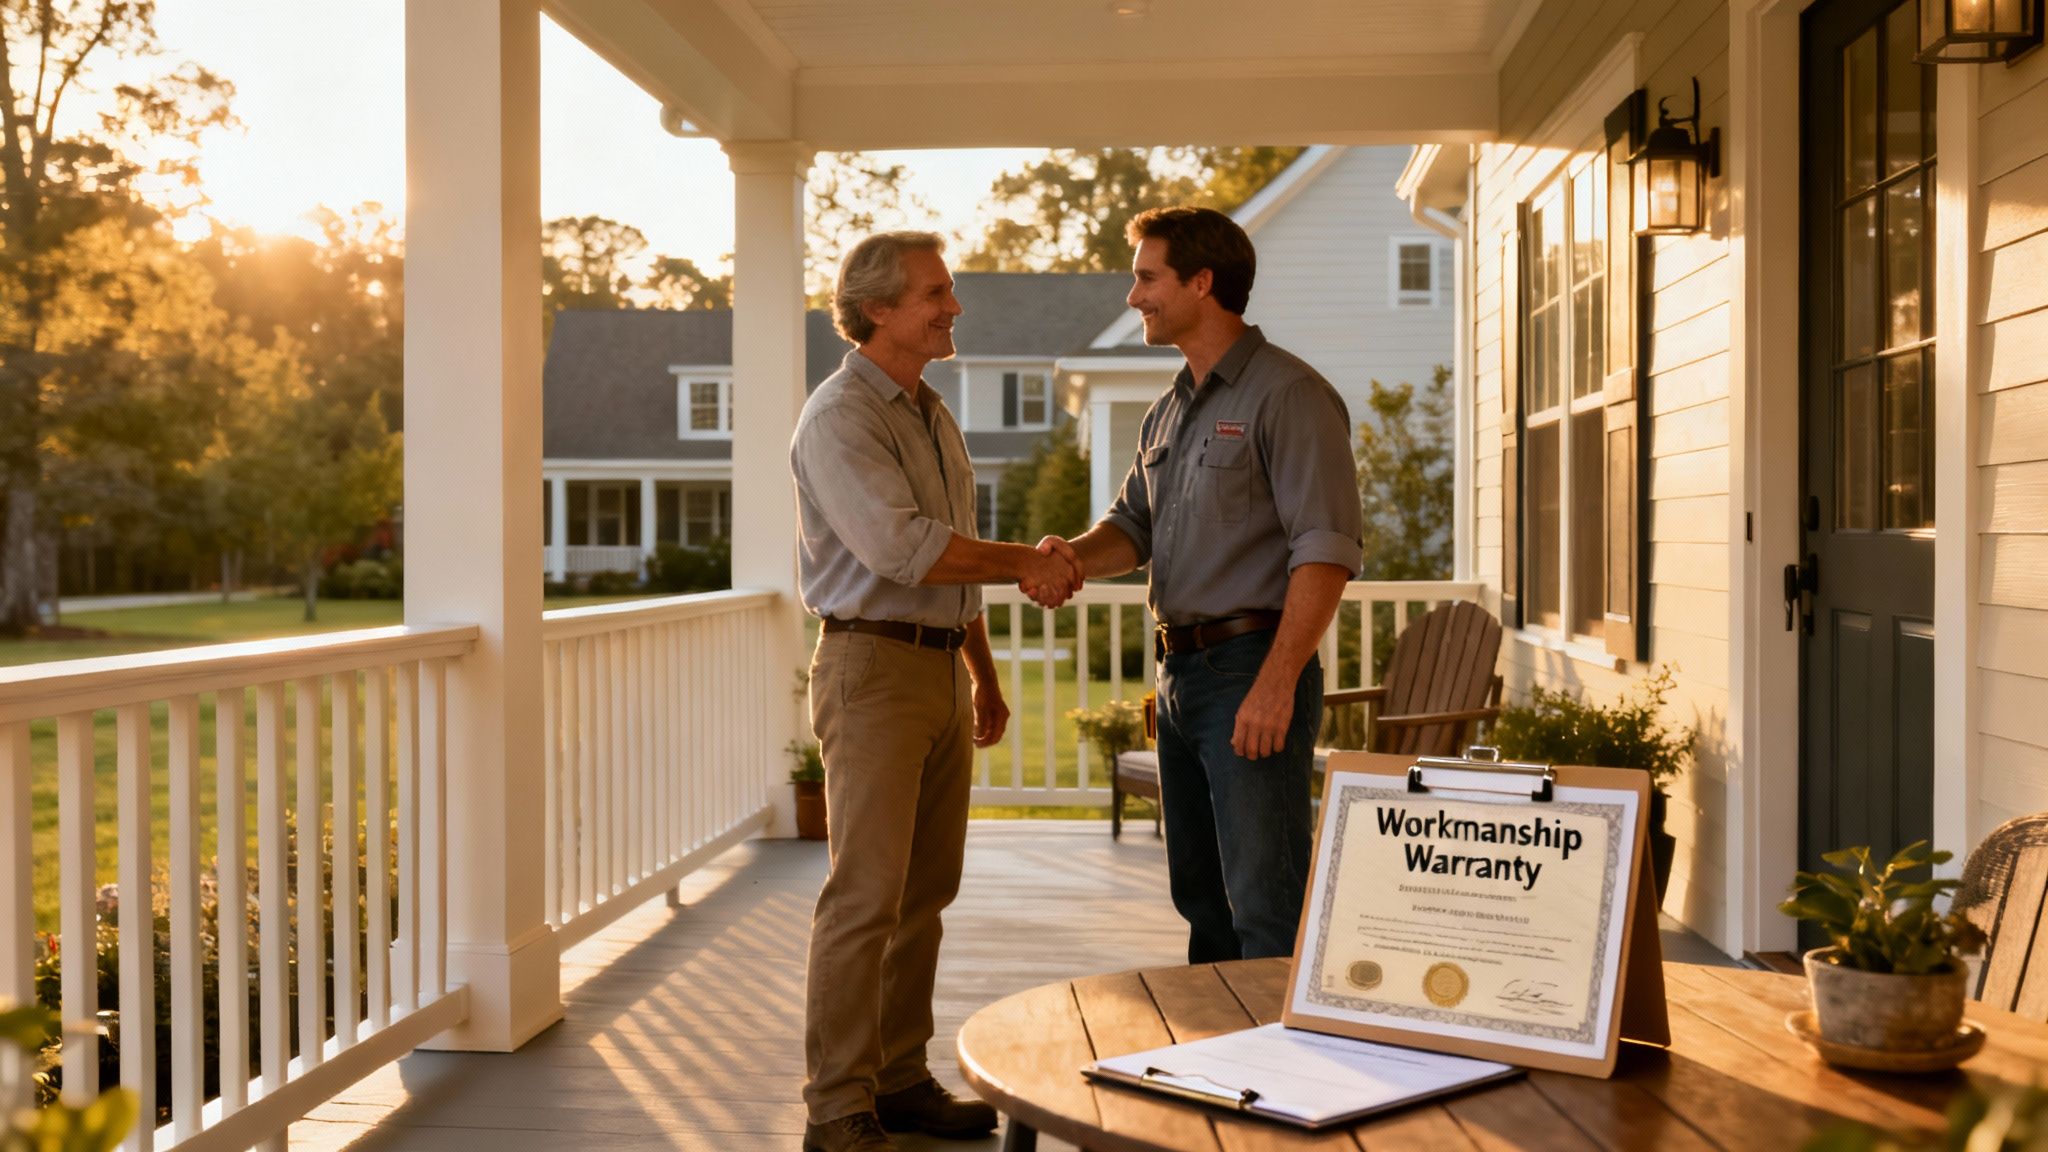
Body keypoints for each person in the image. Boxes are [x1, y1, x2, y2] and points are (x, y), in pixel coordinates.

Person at [791, 231, 1083, 1152]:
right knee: (864, 897)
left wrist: (983, 675)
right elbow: (904, 550)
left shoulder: (930, 411)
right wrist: (1033, 563)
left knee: (926, 890)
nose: (952, 307)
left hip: (934, 667)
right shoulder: (840, 417)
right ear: (879, 309)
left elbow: (950, 565)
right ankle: (838, 1110)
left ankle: (901, 1078)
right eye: (935, 293)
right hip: (871, 669)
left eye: (948, 291)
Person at [1043, 206, 1363, 964]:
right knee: (1202, 897)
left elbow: (1325, 551)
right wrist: (1069, 558)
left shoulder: (1290, 395)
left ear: (1203, 282)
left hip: (1249, 671)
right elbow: (1133, 526)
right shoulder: (1168, 411)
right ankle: (1221, 1063)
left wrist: (1277, 683)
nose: (1134, 298)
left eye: (1147, 278)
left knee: (1264, 899)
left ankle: (1290, 1075)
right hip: (1180, 680)